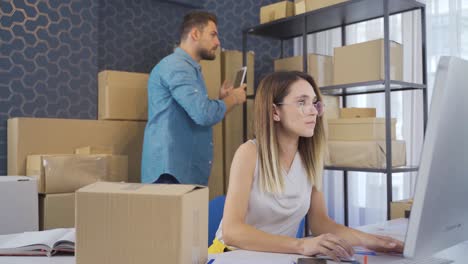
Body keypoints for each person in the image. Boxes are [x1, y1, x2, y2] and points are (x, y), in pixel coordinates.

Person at [209, 71, 404, 261]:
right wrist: (301, 245)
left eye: (314, 103)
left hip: (277, 258)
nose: (312, 110)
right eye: (302, 102)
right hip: (229, 256)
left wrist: (371, 241)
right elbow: (232, 231)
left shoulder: (311, 158)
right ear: (274, 111)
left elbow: (320, 222)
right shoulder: (249, 153)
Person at [141, 11, 246, 185]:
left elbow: (197, 115)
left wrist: (222, 100)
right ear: (195, 34)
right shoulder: (177, 67)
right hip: (170, 174)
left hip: (179, 171)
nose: (218, 42)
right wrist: (233, 98)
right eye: (213, 35)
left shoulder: (188, 69)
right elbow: (203, 114)